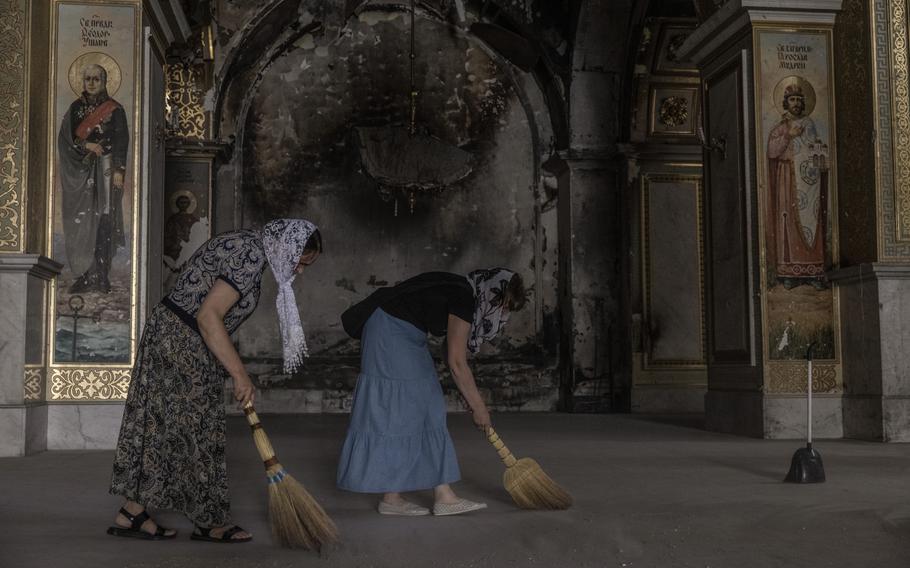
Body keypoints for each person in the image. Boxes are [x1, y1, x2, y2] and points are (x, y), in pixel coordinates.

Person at [108, 219, 323, 542]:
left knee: (164, 425)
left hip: (177, 337)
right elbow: (208, 316)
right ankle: (211, 521)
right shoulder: (249, 254)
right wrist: (240, 374)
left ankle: (132, 513)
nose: (299, 271)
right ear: (286, 247)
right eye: (299, 262)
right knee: (198, 430)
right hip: (184, 342)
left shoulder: (248, 244)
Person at [337, 268, 526, 516]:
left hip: (404, 331)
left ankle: (442, 495)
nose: (502, 315)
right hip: (389, 330)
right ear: (492, 291)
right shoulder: (464, 298)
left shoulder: (465, 291)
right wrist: (480, 408)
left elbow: (452, 357)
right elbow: (458, 363)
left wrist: (468, 395)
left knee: (429, 404)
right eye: (502, 305)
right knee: (402, 409)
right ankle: (393, 499)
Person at [58, 63, 129, 294]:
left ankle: (101, 274)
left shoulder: (115, 109)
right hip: (83, 172)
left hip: (107, 169)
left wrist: (119, 170)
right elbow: (65, 139)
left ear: (104, 81)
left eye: (96, 79)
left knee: (104, 218)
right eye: (87, 78)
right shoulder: (76, 108)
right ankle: (85, 275)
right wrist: (85, 143)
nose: (91, 83)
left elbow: (121, 140)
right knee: (84, 222)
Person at [766, 79, 827, 290]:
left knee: (813, 222)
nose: (796, 103)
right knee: (788, 221)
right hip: (788, 180)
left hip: (809, 184)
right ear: (786, 102)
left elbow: (816, 150)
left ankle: (813, 272)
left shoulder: (810, 125)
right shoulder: (780, 128)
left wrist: (818, 156)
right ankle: (789, 273)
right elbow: (772, 152)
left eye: (799, 100)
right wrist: (787, 137)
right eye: (792, 99)